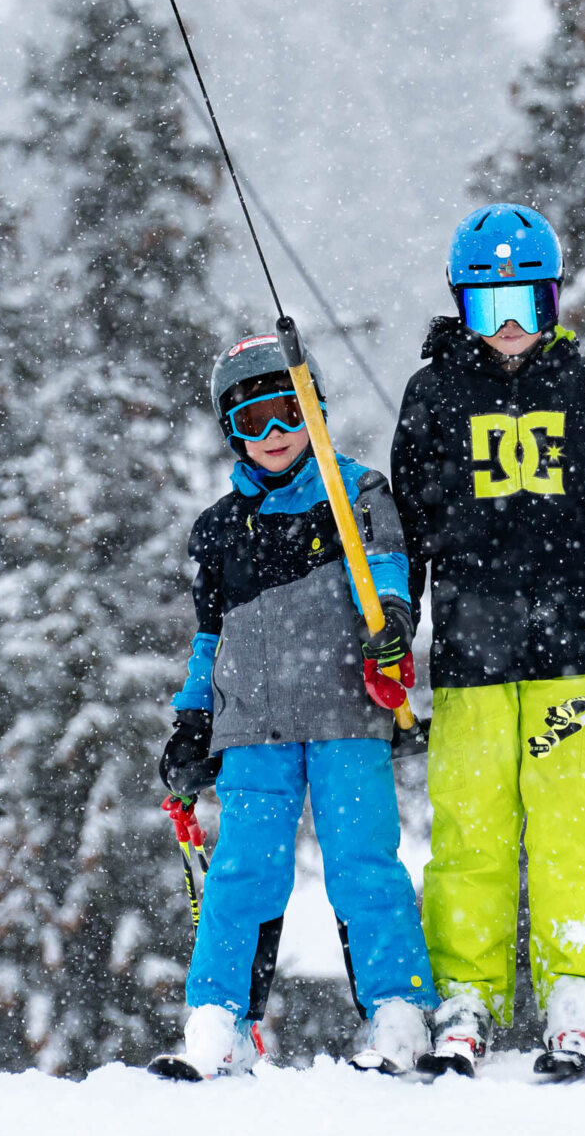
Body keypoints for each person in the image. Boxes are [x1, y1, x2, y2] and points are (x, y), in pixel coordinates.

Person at [392, 204, 585, 1079]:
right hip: (474, 652)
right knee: (471, 826)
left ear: (554, 303)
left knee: (569, 824)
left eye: (525, 306)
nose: (509, 329)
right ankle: (465, 991)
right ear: (460, 309)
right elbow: (409, 533)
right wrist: (396, 633)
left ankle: (578, 991)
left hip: (576, 649)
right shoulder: (436, 395)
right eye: (488, 311)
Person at [151, 333, 434, 1080]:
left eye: (286, 414)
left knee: (363, 865)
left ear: (314, 411)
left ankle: (397, 1012)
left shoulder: (357, 493)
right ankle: (219, 1021)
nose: (274, 436)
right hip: (254, 728)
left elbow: (390, 572)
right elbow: (208, 640)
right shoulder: (218, 529)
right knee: (243, 874)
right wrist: (192, 721)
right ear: (230, 433)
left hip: (347, 717)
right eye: (252, 422)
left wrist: (393, 625)